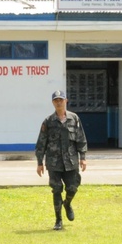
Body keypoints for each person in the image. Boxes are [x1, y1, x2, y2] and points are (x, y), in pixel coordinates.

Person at [35, 89, 87, 230]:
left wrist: (83, 157)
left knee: (72, 187)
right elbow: (41, 143)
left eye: (61, 100)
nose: (59, 103)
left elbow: (80, 138)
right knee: (56, 189)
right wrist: (40, 163)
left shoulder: (74, 118)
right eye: (56, 100)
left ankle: (67, 204)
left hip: (71, 162)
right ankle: (58, 220)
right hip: (54, 163)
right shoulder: (48, 121)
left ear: (66, 101)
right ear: (53, 103)